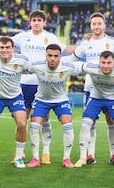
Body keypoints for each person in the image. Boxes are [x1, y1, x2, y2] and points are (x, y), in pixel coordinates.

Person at [63, 12, 114, 165]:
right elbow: (73, 57)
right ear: (90, 26)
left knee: (111, 121)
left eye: (99, 24)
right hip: (90, 87)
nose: (97, 26)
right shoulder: (86, 43)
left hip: (111, 88)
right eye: (94, 24)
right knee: (90, 122)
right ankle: (89, 155)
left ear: (104, 25)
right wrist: (56, 62)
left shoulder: (111, 42)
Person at [12, 9, 75, 164]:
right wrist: (16, 55)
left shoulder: (50, 37)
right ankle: (19, 153)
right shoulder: (22, 36)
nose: (37, 23)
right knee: (22, 119)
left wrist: (85, 46)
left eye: (40, 20)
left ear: (44, 23)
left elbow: (65, 49)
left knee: (44, 118)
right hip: (26, 82)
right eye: (34, 20)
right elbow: (6, 44)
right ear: (30, 22)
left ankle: (45, 152)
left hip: (44, 82)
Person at [26, 44, 79, 168]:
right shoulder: (37, 66)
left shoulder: (68, 67)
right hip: (41, 100)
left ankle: (66, 158)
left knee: (67, 123)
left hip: (61, 100)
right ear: (46, 55)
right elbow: (21, 69)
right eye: (50, 55)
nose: (52, 59)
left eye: (56, 56)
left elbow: (86, 68)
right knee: (34, 125)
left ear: (60, 57)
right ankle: (35, 158)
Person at [74, 50, 114, 168]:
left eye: (109, 63)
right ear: (99, 62)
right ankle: (83, 157)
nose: (105, 66)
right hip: (96, 98)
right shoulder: (91, 67)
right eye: (103, 62)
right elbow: (74, 65)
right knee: (85, 125)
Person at [0, 36, 29, 168]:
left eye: (7, 47)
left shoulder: (21, 61)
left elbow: (32, 69)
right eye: (2, 48)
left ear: (13, 49)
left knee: (21, 123)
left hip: (15, 97)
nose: (4, 50)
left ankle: (19, 158)